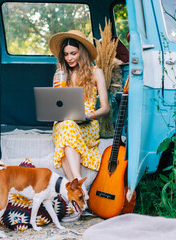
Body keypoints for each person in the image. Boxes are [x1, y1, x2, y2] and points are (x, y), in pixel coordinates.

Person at [48, 30, 110, 221]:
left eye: (73, 53)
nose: (69, 58)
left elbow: (106, 108)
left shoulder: (96, 72)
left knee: (67, 136)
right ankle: (79, 187)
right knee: (66, 126)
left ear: (81, 52)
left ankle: (74, 193)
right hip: (64, 123)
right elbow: (55, 105)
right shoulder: (61, 74)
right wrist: (59, 81)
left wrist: (88, 115)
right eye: (66, 54)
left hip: (87, 124)